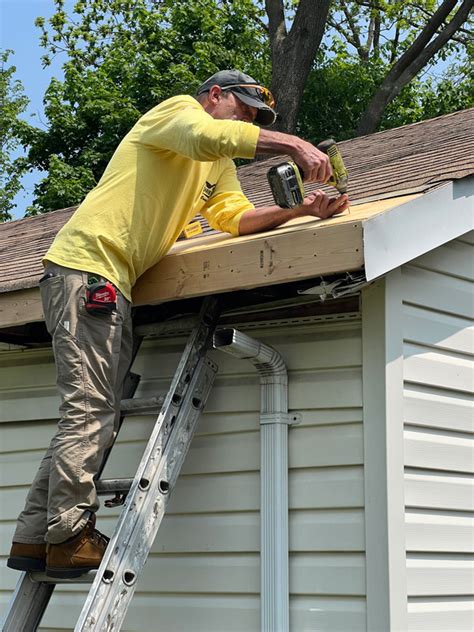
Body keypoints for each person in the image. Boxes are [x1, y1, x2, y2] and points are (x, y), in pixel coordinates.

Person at [7, 69, 349, 579]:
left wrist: (300, 211)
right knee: (91, 408)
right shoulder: (176, 114)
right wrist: (292, 144)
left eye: (258, 120)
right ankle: (69, 534)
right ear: (215, 96)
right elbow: (208, 134)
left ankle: (36, 539)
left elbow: (233, 216)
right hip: (87, 268)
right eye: (247, 112)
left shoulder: (216, 163)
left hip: (110, 278)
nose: (250, 123)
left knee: (92, 406)